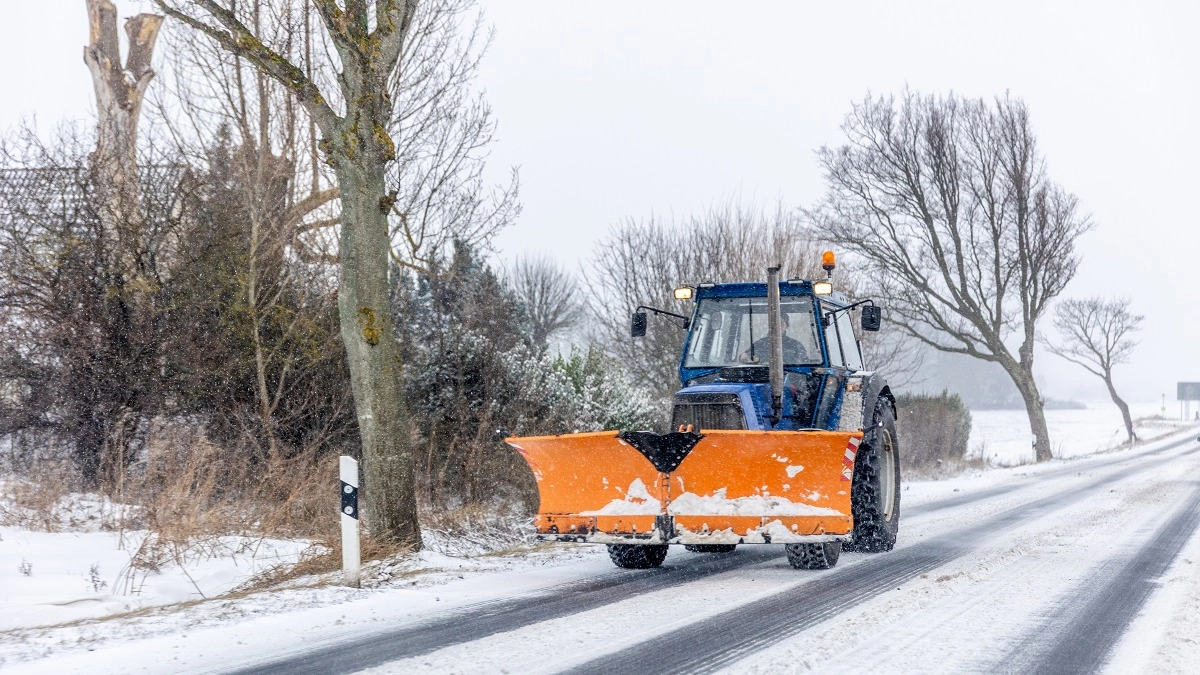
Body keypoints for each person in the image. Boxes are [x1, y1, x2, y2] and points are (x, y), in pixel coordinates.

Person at [740, 312, 809, 364]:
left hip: (790, 378)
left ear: (786, 326)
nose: (777, 326)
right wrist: (744, 357)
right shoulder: (759, 344)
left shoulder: (795, 346)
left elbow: (804, 364)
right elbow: (745, 358)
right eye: (774, 323)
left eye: (781, 323)